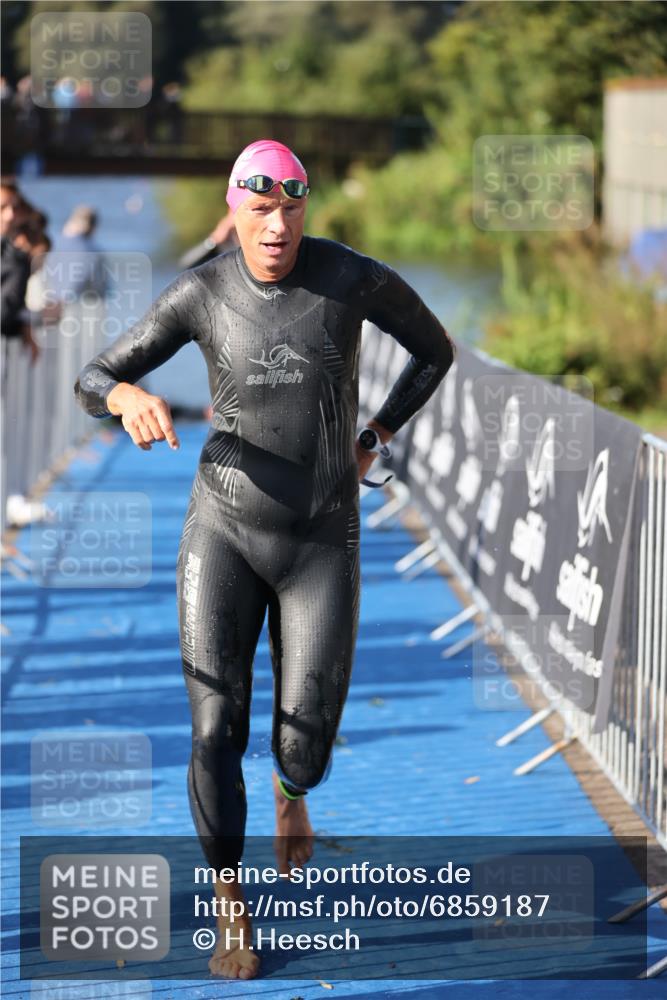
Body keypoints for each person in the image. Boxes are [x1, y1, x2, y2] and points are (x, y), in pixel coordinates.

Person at [73, 139, 455, 979]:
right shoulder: (201, 290)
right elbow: (94, 374)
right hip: (224, 530)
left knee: (302, 753)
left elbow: (436, 352)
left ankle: (292, 799)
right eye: (259, 210)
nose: (275, 226)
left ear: (305, 206)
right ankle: (229, 907)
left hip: (321, 537)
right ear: (234, 210)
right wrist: (128, 395)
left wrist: (374, 435)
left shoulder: (348, 277)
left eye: (289, 208)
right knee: (215, 727)